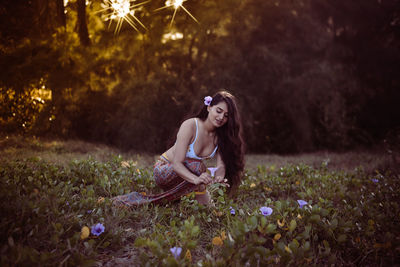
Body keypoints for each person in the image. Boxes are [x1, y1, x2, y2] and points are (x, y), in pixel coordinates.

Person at [112, 90, 245, 207]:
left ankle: (176, 198)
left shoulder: (220, 137)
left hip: (187, 176)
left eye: (226, 115)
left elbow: (221, 166)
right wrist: (196, 179)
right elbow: (176, 164)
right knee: (199, 168)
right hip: (164, 170)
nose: (221, 117)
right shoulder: (191, 126)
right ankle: (139, 200)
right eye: (219, 111)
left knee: (208, 209)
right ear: (209, 107)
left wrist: (219, 178)